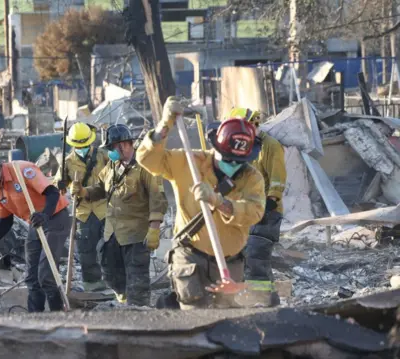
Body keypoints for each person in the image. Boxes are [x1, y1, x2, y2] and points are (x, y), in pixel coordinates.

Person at [137, 97, 265, 309]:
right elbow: (148, 159)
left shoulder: (252, 178)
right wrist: (164, 125)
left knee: (228, 323)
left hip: (230, 263)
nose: (233, 165)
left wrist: (219, 201)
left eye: (238, 162)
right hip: (190, 258)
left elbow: (255, 212)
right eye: (228, 159)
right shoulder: (189, 163)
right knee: (195, 320)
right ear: (215, 148)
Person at [70, 124, 168, 306]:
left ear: (123, 145)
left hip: (135, 236)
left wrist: (154, 228)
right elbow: (100, 188)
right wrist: (83, 191)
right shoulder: (112, 167)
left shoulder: (145, 167)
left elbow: (158, 199)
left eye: (111, 148)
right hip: (112, 233)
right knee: (110, 273)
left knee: (137, 281)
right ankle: (123, 300)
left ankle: (139, 314)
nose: (110, 153)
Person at [0, 144, 71, 312]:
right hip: (35, 223)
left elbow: (52, 193)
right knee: (31, 278)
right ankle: (34, 319)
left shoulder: (22, 170)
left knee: (46, 275)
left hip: (54, 218)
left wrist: (45, 214)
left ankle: (58, 316)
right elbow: (5, 223)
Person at [227, 108, 287, 307]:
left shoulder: (271, 146)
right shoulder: (246, 147)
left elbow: (278, 180)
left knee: (255, 257)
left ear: (252, 124)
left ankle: (260, 302)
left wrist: (270, 203)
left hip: (267, 213)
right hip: (248, 212)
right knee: (248, 258)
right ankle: (269, 300)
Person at [54, 122, 109, 292]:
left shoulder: (102, 156)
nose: (82, 149)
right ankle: (92, 284)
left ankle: (113, 280)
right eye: (79, 146)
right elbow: (58, 187)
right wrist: (61, 184)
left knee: (110, 246)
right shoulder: (68, 162)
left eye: (84, 146)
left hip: (104, 208)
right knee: (86, 249)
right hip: (84, 211)